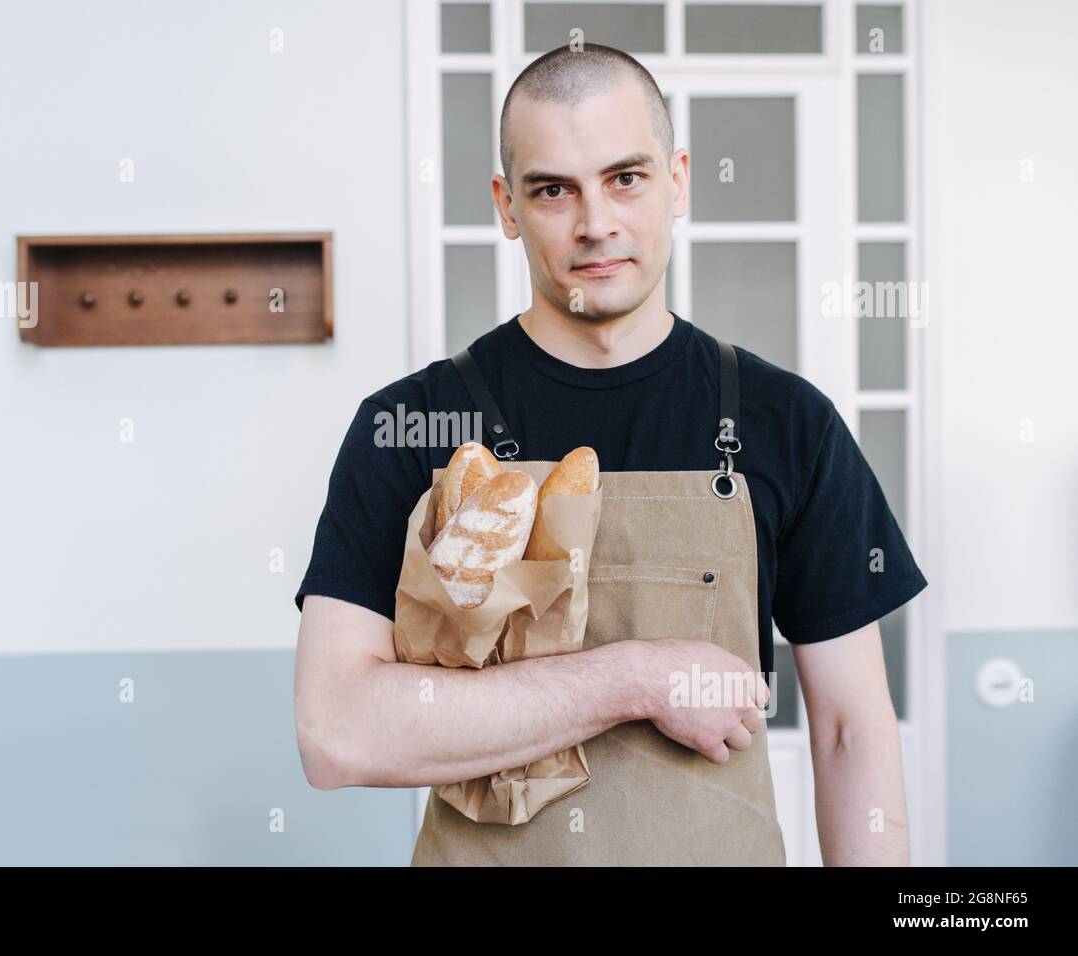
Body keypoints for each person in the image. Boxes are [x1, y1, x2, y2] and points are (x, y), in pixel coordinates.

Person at [292, 42, 927, 866]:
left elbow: (849, 734)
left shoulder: (788, 423)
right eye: (553, 189)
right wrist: (637, 678)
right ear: (506, 206)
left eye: (625, 177)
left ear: (679, 181)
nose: (595, 223)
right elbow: (335, 733)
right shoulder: (410, 423)